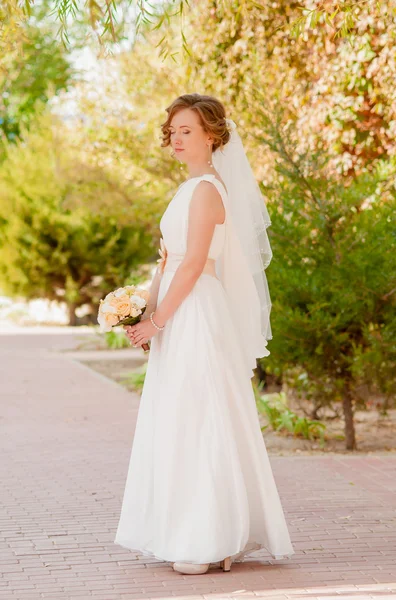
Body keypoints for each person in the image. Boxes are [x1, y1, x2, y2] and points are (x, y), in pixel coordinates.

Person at [114, 93, 294, 575]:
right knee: (181, 415)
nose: (176, 138)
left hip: (194, 312)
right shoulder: (189, 188)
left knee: (201, 415)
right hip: (178, 309)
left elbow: (194, 263)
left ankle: (211, 538)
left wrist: (159, 319)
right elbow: (168, 259)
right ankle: (203, 535)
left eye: (186, 130)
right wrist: (141, 312)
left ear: (212, 135)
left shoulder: (208, 189)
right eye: (172, 131)